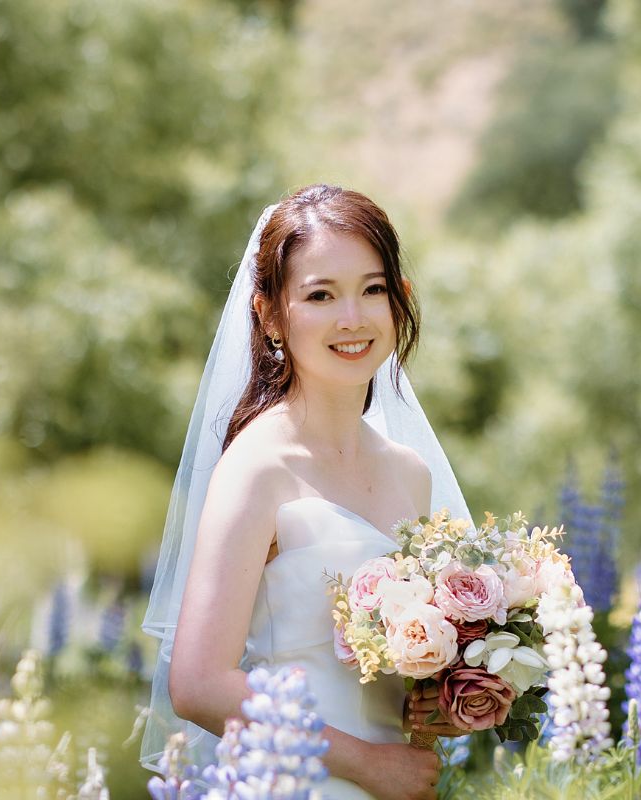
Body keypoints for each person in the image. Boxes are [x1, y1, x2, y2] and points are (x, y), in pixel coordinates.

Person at [140, 185, 471, 799]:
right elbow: (198, 683)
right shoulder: (258, 468)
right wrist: (366, 764)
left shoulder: (409, 473)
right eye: (321, 295)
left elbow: (387, 679)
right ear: (269, 314)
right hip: (295, 784)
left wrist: (442, 699)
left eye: (373, 289)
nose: (353, 318)